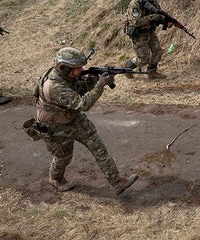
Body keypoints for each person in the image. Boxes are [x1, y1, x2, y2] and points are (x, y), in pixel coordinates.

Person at [33, 47, 138, 195]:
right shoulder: (54, 86)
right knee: (64, 156)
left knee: (98, 148)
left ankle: (118, 182)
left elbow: (79, 88)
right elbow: (84, 104)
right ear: (65, 68)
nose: (81, 69)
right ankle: (55, 179)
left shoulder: (68, 76)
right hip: (55, 126)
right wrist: (100, 85)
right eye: (78, 68)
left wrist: (91, 80)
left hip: (73, 118)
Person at [123, 0, 170, 79]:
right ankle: (128, 66)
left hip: (150, 32)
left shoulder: (152, 1)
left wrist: (164, 21)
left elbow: (159, 15)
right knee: (143, 59)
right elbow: (136, 22)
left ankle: (152, 72)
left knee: (158, 52)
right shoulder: (135, 5)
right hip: (139, 35)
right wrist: (153, 17)